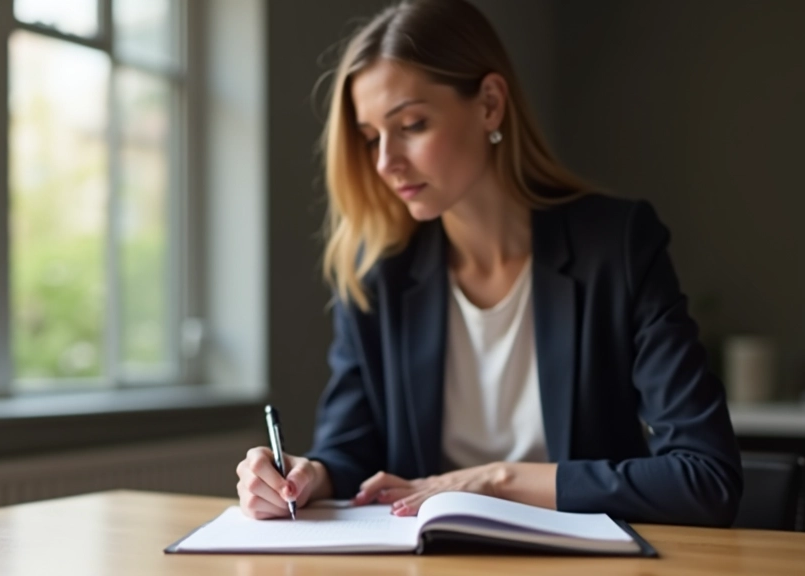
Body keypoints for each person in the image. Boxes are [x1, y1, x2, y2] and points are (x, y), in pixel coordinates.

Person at [236, 0, 742, 526]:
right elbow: (349, 453)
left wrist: (496, 480)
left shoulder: (616, 246)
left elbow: (705, 478)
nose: (385, 161)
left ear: (490, 105)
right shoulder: (377, 271)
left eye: (411, 124)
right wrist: (305, 476)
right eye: (370, 138)